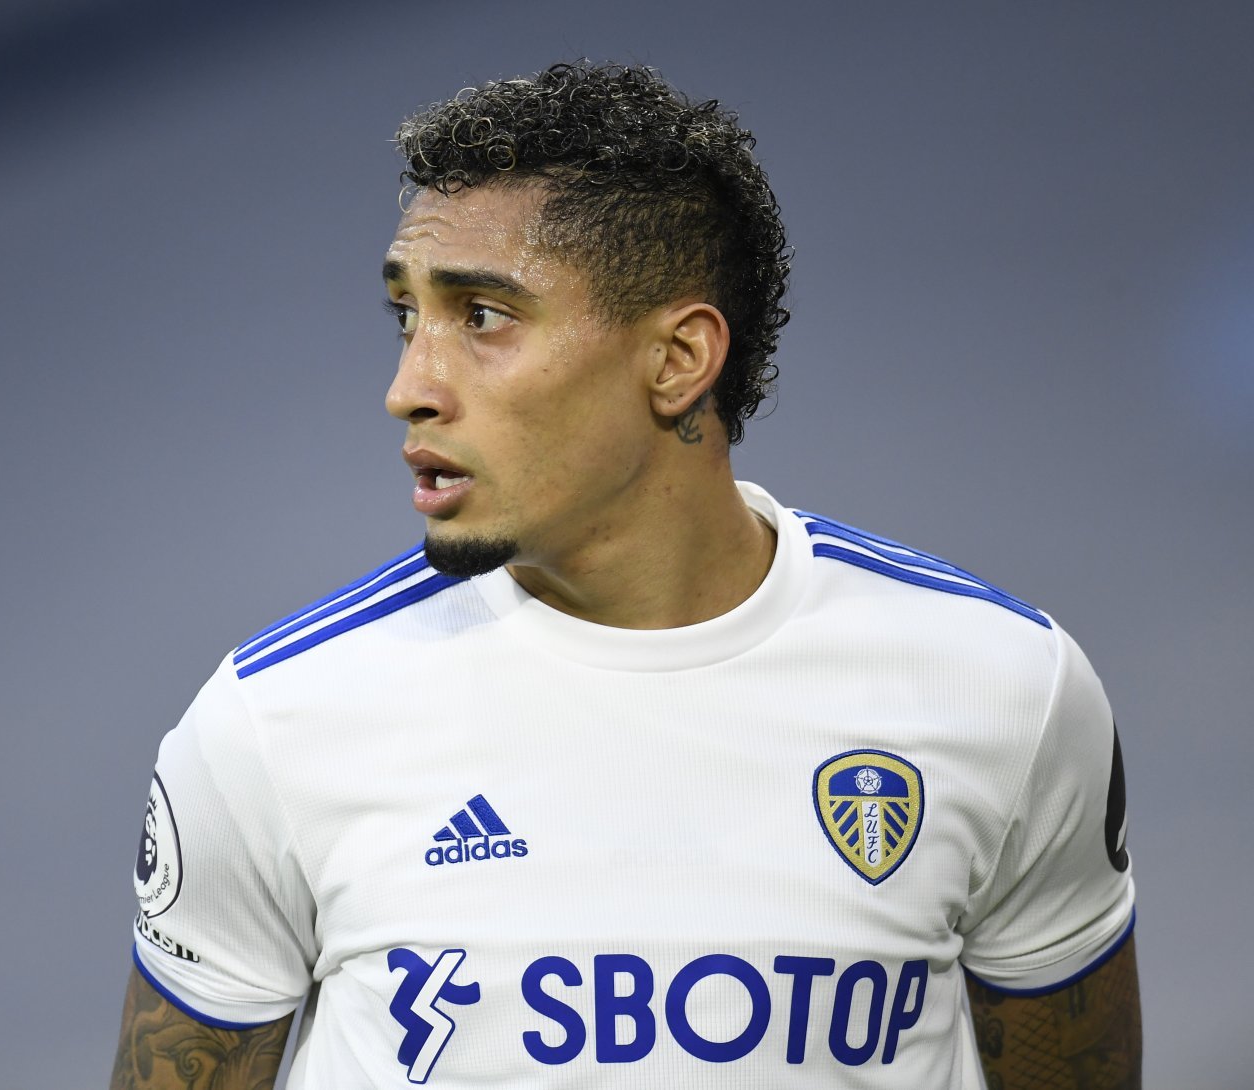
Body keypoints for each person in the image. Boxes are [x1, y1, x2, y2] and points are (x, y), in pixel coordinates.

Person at [109, 61, 1141, 1089]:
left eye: (482, 317)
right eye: (407, 318)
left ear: (678, 360)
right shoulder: (275, 725)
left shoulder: (1002, 691)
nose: (409, 387)